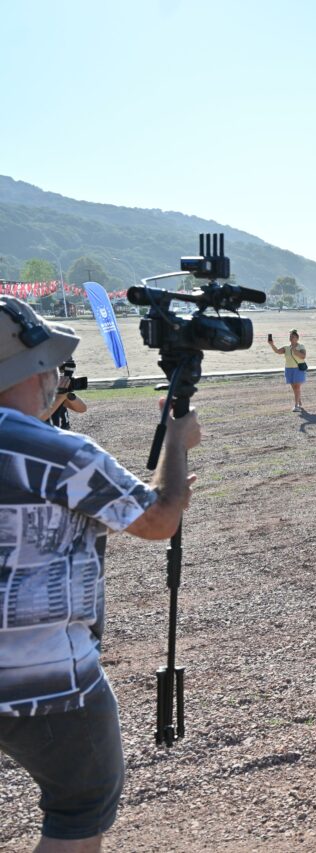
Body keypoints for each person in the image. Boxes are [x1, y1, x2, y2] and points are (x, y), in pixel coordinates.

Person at [0, 296, 200, 852]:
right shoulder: (58, 453)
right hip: (49, 682)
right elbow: (158, 519)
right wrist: (177, 442)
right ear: (32, 370)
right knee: (76, 817)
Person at [267, 329, 307, 412]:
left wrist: (295, 350)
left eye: (294, 337)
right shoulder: (286, 348)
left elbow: (303, 356)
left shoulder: (301, 346)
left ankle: (296, 405)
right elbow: (277, 351)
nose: (292, 338)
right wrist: (272, 344)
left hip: (298, 369)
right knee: (294, 388)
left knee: (297, 387)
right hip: (289, 369)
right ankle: (299, 401)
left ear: (297, 338)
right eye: (291, 337)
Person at [46, 361, 88, 429]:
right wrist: (61, 395)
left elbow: (82, 408)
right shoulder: (33, 393)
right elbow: (39, 418)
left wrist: (68, 393)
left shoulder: (56, 391)